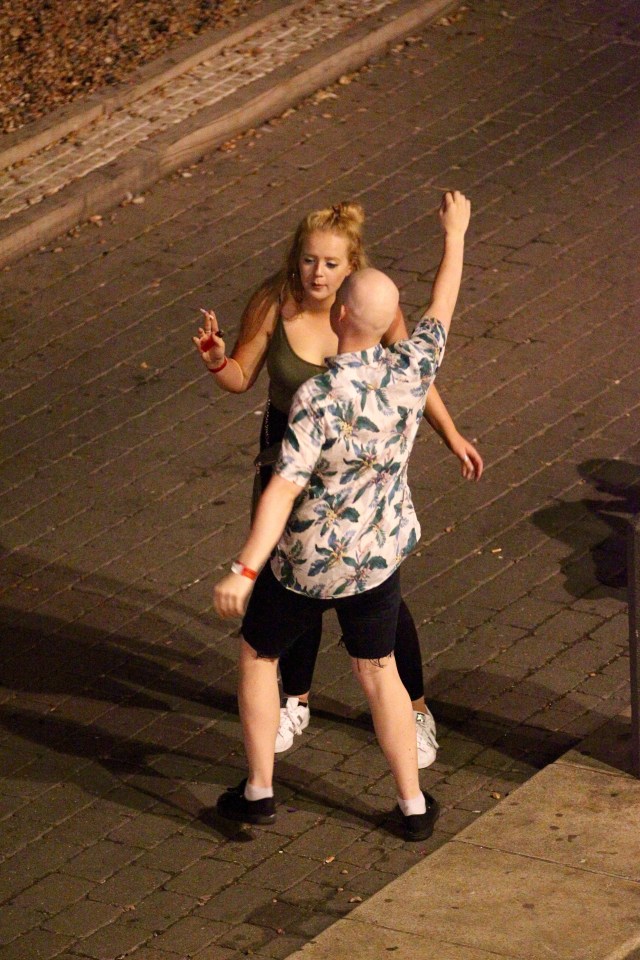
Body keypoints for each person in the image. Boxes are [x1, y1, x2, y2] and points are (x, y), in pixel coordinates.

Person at [212, 190, 471, 840]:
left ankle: (260, 788)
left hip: (307, 564)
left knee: (258, 654)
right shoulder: (412, 366)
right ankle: (413, 805)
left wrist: (246, 570)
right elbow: (444, 303)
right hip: (377, 556)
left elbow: (280, 491)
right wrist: (455, 235)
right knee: (377, 671)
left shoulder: (317, 396)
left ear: (342, 316)